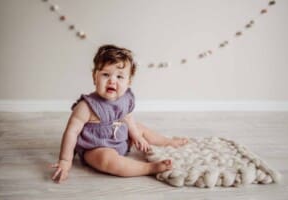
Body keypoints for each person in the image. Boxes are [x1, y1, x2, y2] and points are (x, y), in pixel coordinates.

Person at [51, 44, 188, 183]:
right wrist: (65, 160)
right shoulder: (86, 106)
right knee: (106, 159)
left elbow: (127, 117)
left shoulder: (125, 99)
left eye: (120, 76)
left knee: (138, 127)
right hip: (96, 148)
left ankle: (166, 141)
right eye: (105, 74)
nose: (112, 80)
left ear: (129, 82)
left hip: (121, 140)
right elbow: (71, 132)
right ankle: (148, 168)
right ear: (95, 77)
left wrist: (136, 135)